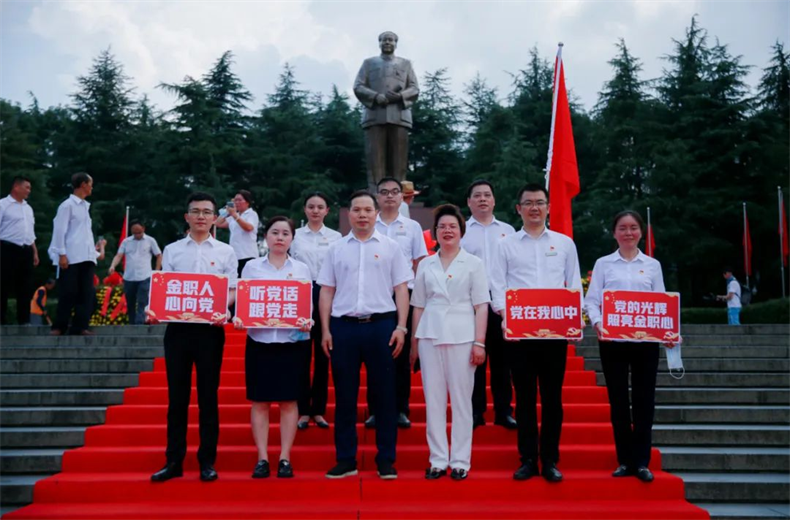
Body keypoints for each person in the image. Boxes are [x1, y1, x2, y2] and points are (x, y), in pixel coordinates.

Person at [317, 190, 413, 480]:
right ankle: (346, 459)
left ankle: (386, 459)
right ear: (349, 214)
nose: (362, 215)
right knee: (345, 396)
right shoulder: (336, 249)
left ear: (376, 214)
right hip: (343, 327)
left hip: (381, 326)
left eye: (368, 210)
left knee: (384, 395)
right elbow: (326, 290)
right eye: (357, 210)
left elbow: (401, 289)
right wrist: (325, 329)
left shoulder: (391, 247)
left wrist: (401, 327)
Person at [490, 183, 582, 483]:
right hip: (520, 334)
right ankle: (528, 458)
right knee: (525, 398)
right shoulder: (506, 245)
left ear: (548, 208)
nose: (534, 208)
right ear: (519, 209)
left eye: (540, 202)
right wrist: (506, 317)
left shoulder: (564, 244)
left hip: (554, 333)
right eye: (528, 203)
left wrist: (574, 319)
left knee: (553, 398)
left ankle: (550, 459)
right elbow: (497, 285)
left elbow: (573, 285)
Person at [149, 192, 238, 483]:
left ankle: (207, 461)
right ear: (187, 217)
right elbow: (165, 287)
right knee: (177, 398)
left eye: (207, 212)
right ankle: (173, 460)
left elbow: (232, 289)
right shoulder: (172, 250)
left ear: (214, 218)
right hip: (178, 330)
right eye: (196, 211)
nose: (201, 216)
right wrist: (155, 308)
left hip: (210, 331)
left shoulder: (225, 252)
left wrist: (222, 308)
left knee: (208, 397)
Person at [584, 210, 677, 483]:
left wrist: (668, 330)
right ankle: (624, 459)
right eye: (622, 228)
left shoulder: (652, 265)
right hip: (612, 342)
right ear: (614, 233)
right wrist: (598, 323)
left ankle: (642, 461)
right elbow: (592, 301)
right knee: (619, 401)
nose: (628, 233)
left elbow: (661, 302)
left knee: (644, 400)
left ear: (641, 232)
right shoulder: (603, 264)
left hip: (646, 343)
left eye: (633, 227)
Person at [410, 204, 489, 481]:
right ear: (434, 232)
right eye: (442, 226)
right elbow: (418, 305)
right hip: (430, 335)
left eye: (452, 226)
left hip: (463, 336)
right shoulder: (426, 264)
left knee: (461, 400)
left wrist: (480, 343)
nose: (447, 231)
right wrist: (414, 344)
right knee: (433, 400)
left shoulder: (474, 263)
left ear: (461, 231)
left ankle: (460, 461)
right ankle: (437, 459)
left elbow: (481, 305)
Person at [233, 216, 313, 479]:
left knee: (289, 401)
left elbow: (307, 305)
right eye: (275, 232)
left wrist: (307, 321)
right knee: (260, 401)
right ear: (266, 237)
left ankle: (285, 457)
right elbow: (244, 301)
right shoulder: (252, 267)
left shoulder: (302, 269)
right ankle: (263, 458)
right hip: (260, 341)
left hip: (292, 343)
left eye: (285, 233)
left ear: (292, 239)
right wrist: (240, 317)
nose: (280, 237)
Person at [370, 177, 428, 429]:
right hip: (375, 296)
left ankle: (401, 409)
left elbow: (419, 262)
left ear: (402, 197)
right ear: (377, 197)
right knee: (375, 355)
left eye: (395, 192)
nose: (390, 196)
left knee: (402, 355)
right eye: (384, 192)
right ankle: (375, 410)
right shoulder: (368, 224)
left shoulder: (412, 227)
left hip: (405, 294)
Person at [459, 180, 517, 430]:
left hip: (502, 301)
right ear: (469, 202)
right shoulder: (462, 230)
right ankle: (475, 411)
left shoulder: (509, 231)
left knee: (503, 360)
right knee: (474, 359)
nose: (482, 199)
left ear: (494, 200)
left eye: (487, 195)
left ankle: (504, 411)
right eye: (477, 195)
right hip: (471, 302)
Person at [291, 192, 342, 430]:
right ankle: (302, 410)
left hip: (327, 293)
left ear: (327, 211)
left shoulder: (336, 237)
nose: (315, 211)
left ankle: (319, 410)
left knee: (323, 354)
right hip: (299, 293)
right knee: (301, 355)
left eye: (320, 207)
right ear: (305, 209)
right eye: (311, 206)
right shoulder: (294, 236)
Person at [354, 31, 420, 189]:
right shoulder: (368, 63)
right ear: (379, 43)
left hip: (399, 116)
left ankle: (399, 192)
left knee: (399, 159)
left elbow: (414, 88)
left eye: (391, 40)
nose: (387, 42)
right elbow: (358, 86)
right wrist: (375, 96)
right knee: (375, 159)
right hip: (375, 115)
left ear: (396, 43)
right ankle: (375, 191)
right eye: (384, 40)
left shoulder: (406, 64)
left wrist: (400, 96)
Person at [48, 173, 105, 336]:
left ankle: (80, 326)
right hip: (71, 257)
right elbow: (60, 231)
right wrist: (61, 254)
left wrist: (94, 252)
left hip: (86, 257)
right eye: (90, 183)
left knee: (86, 294)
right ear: (83, 184)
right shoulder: (67, 205)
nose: (92, 187)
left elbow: (83, 235)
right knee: (68, 292)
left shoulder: (85, 207)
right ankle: (59, 326)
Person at [0, 176, 39, 325]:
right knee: (3, 284)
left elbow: (30, 232)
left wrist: (34, 251)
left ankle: (24, 320)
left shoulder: (28, 208)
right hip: (7, 247)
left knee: (25, 285)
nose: (29, 191)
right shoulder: (3, 204)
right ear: (16, 187)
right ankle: (1, 319)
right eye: (26, 187)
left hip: (26, 249)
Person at [109, 220, 162, 325]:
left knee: (142, 301)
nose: (137, 235)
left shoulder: (150, 240)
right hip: (129, 277)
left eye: (139, 232)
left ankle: (140, 324)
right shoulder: (126, 241)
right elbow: (119, 255)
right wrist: (112, 265)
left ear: (143, 229)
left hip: (145, 276)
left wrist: (156, 271)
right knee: (130, 302)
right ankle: (132, 324)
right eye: (134, 232)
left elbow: (159, 255)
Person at [216, 190, 260, 277]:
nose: (237, 202)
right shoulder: (234, 216)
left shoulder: (251, 214)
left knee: (246, 280)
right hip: (235, 255)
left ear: (247, 202)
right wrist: (227, 211)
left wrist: (235, 216)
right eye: (235, 200)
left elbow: (249, 228)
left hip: (247, 255)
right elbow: (218, 223)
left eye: (239, 200)